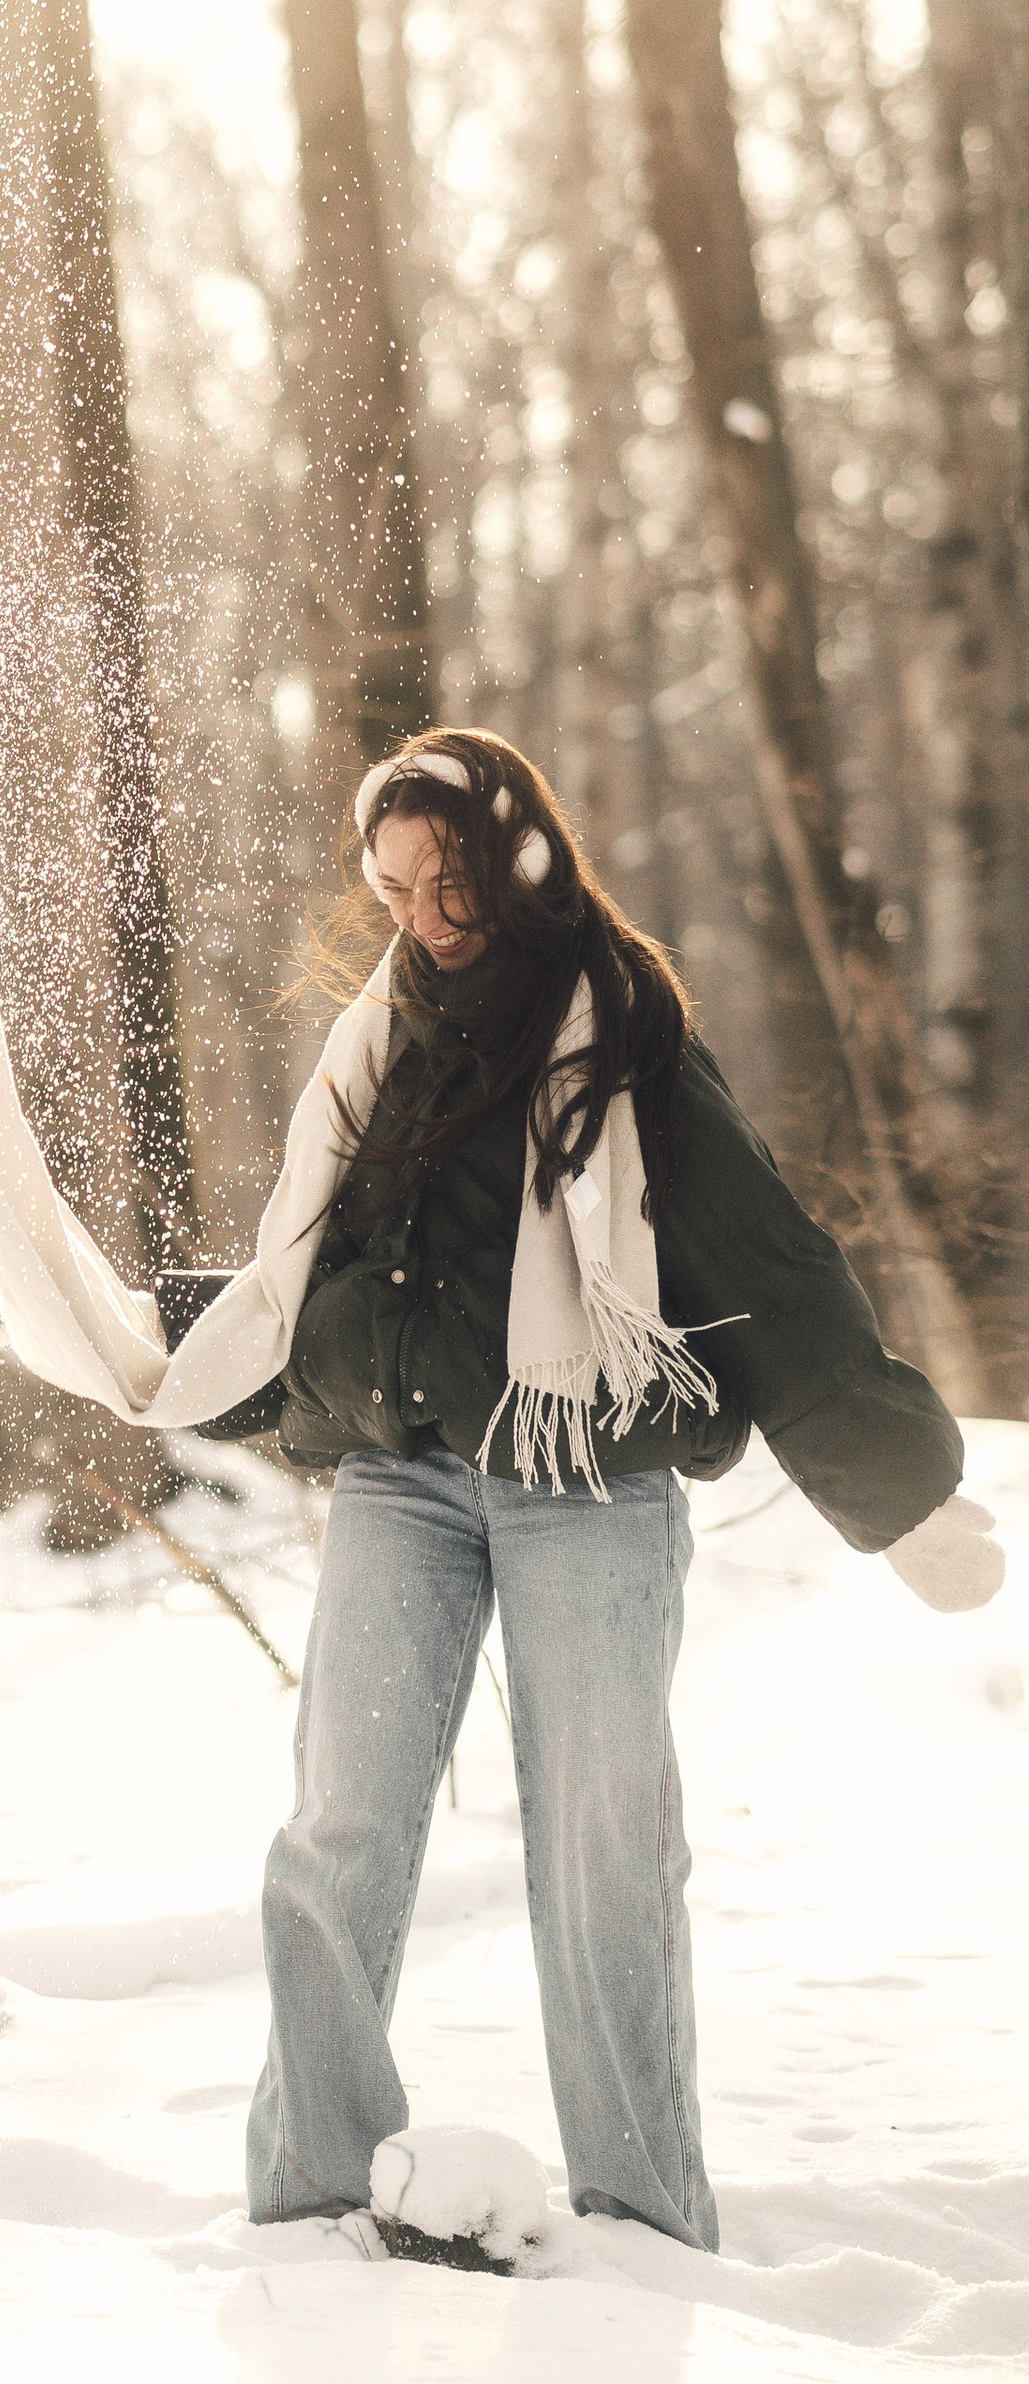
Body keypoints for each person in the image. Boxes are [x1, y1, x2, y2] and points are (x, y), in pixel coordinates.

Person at [221, 728, 1001, 2261]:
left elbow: (773, 1268)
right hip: (405, 1481)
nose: (422, 919)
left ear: (516, 858)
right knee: (339, 1833)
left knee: (602, 1851)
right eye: (392, 890)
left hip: (586, 1485)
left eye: (444, 882)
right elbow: (324, 1282)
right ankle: (312, 2197)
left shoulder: (622, 1038)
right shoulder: (376, 1050)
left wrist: (901, 1496)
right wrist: (143, 1341)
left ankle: (642, 2223)